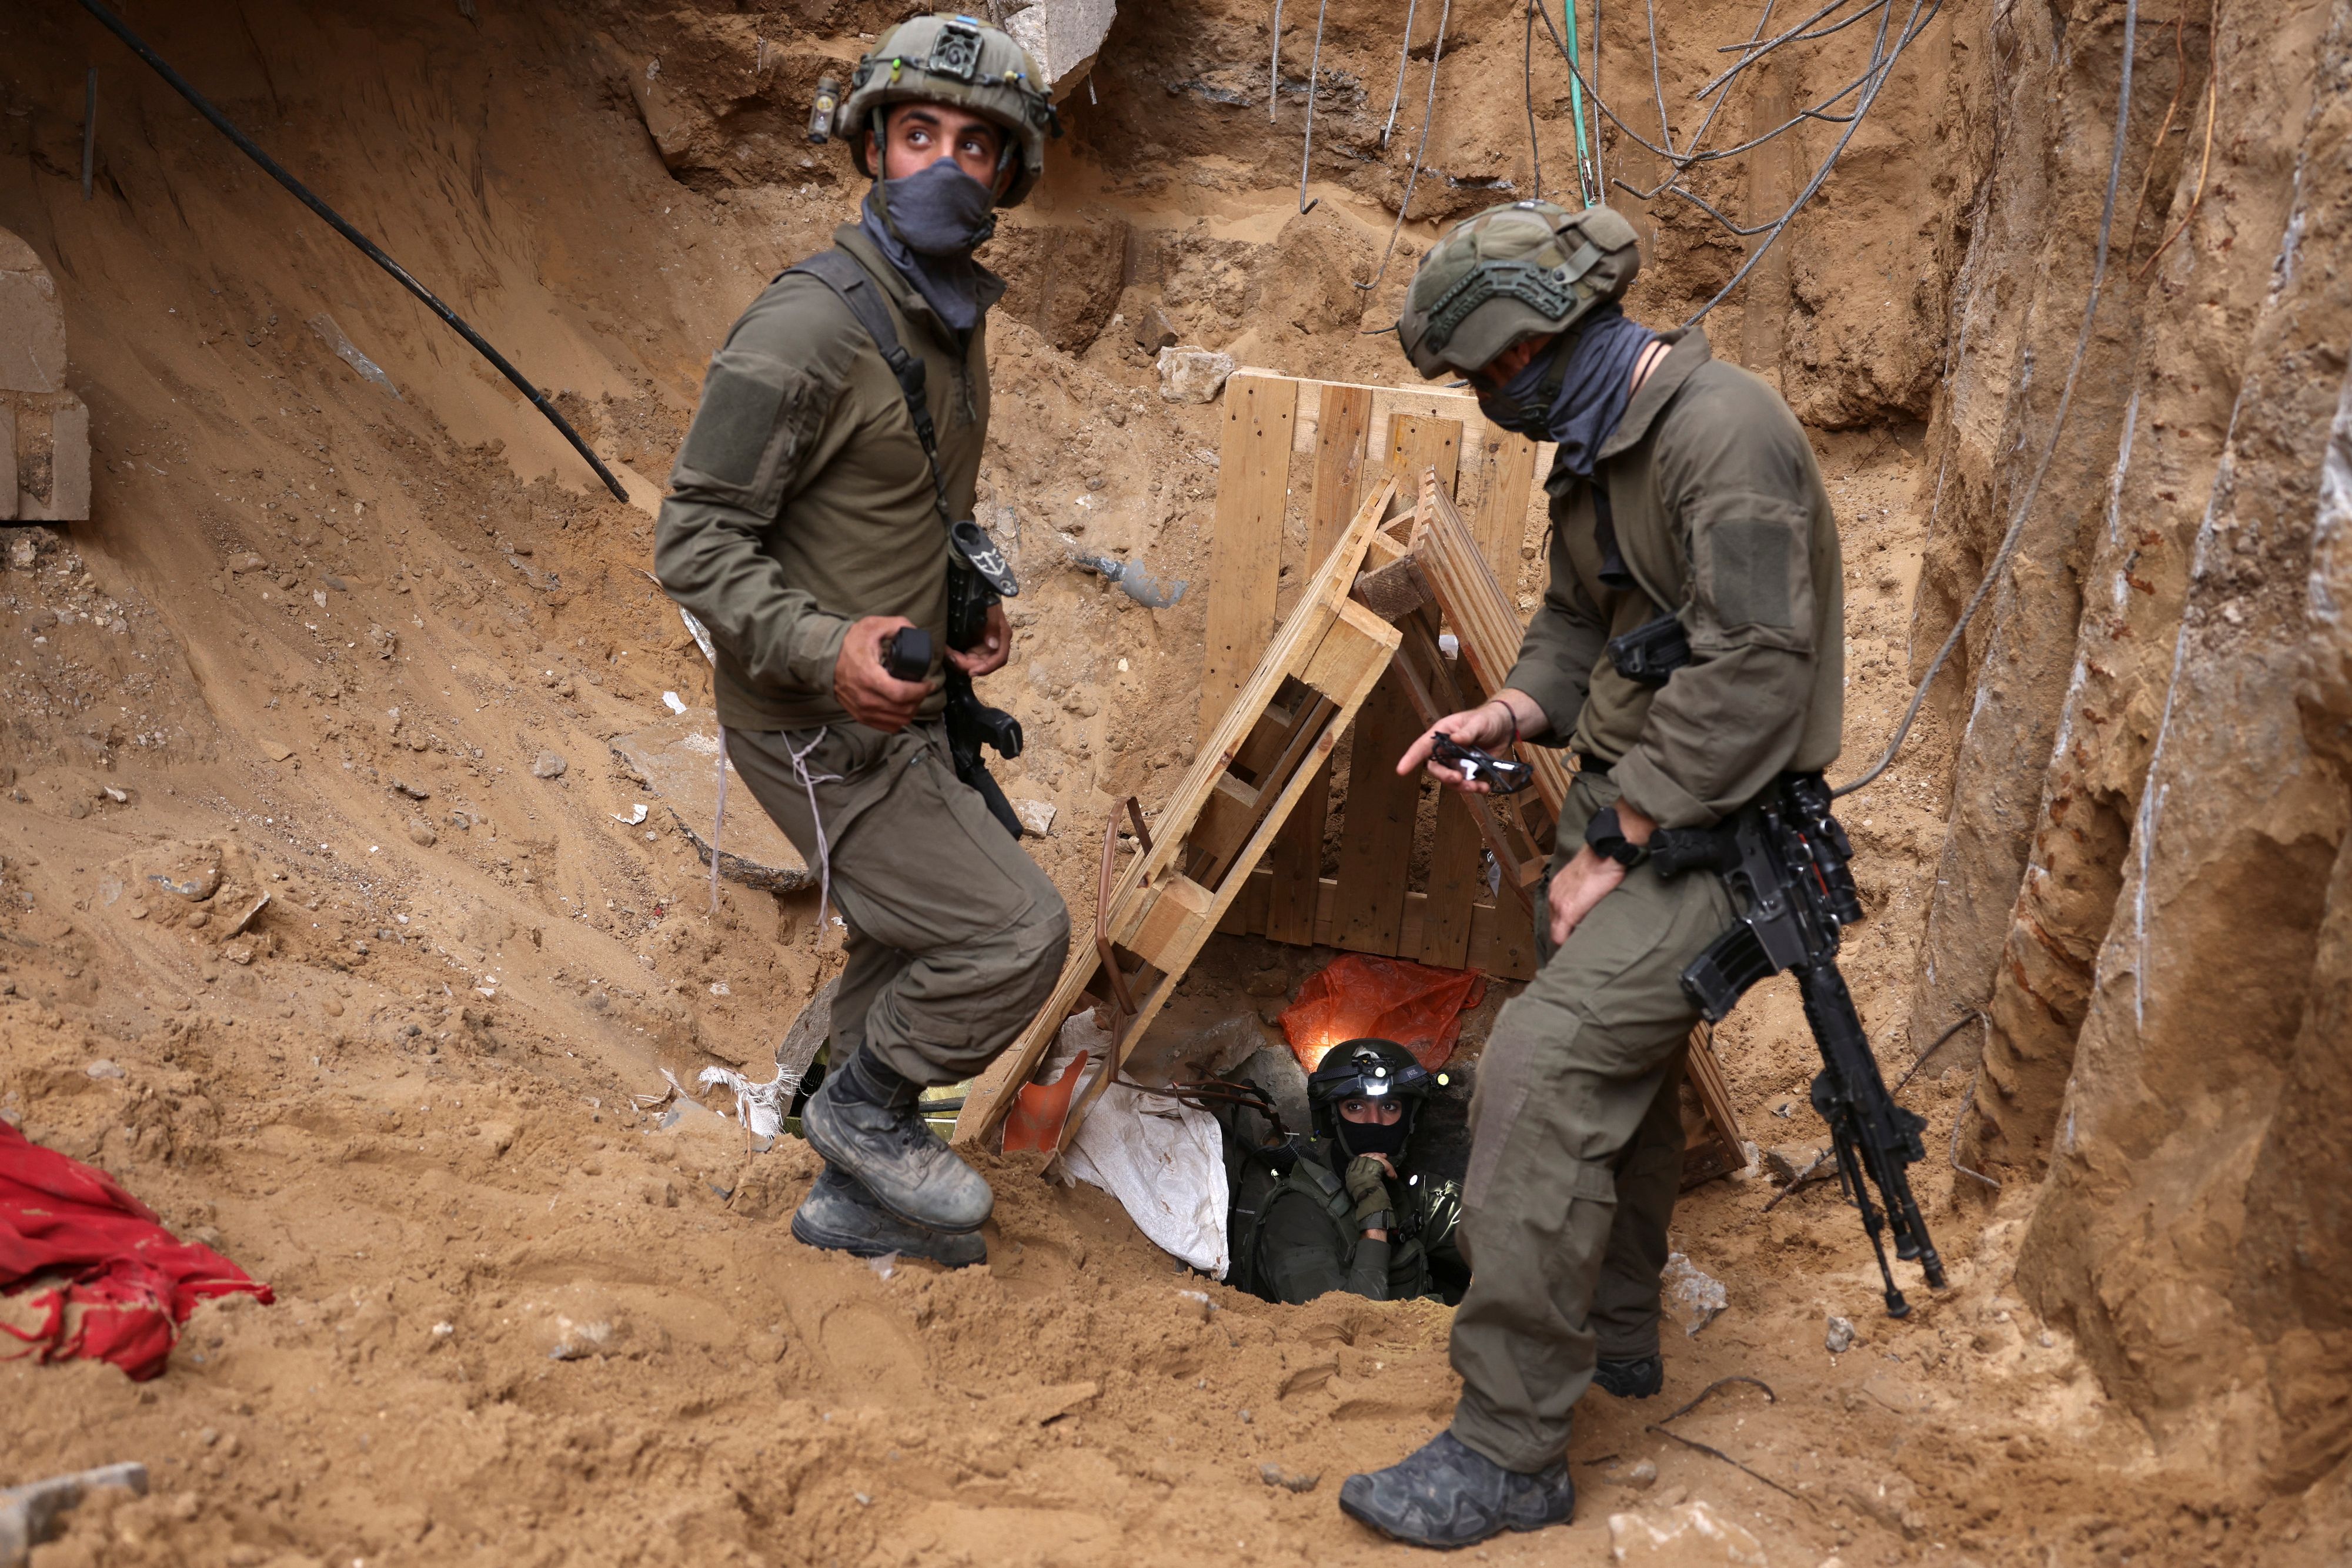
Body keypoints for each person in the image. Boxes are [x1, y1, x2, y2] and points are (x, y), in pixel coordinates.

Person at [1339, 199, 1845, 1548]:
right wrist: (1507, 716)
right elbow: (1583, 623)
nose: (1493, 399)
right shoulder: (1598, 443)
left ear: (1552, 329)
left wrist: (1621, 845)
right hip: (1629, 809)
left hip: (1712, 828)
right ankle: (1619, 1332)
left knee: (1544, 1068)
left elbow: (1755, 672)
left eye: (1495, 369)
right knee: (1607, 1091)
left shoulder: (1719, 436)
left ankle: (1507, 1450)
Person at [654, 15, 1069, 1271]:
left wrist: (955, 595)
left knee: (911, 936)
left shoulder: (942, 313)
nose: (946, 166)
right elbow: (695, 543)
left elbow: (889, 497)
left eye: (976, 145)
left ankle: (850, 1203)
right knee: (1014, 933)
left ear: (1008, 172)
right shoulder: (808, 328)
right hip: (812, 720)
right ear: (872, 147)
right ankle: (862, 1111)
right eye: (918, 135)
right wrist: (827, 646)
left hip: (898, 705)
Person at [1229, 1039, 1466, 1306]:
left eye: (1390, 1107)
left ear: (1409, 1119)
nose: (1374, 1122)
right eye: (1355, 1107)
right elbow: (1348, 1324)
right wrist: (1374, 1217)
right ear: (1331, 1118)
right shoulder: (1296, 1216)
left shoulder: (1409, 1188)